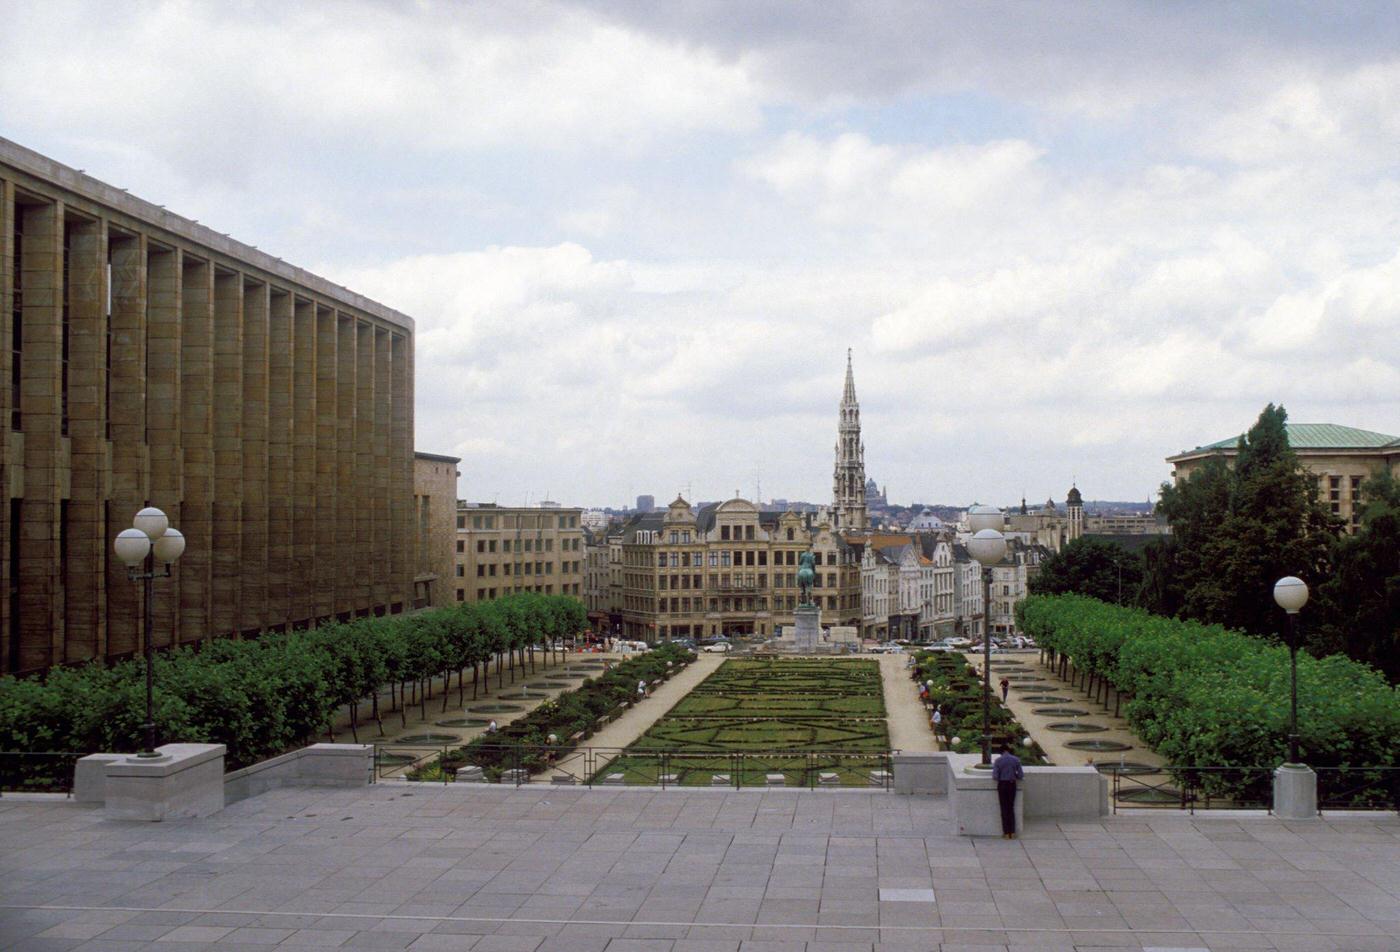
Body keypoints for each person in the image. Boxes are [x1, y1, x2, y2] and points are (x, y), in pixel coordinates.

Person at [992, 744, 1024, 839]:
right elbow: (1021, 775)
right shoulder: (1016, 759)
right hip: (1012, 784)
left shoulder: (998, 761)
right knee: (1011, 808)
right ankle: (1012, 832)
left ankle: (1006, 833)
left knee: (1004, 809)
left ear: (1001, 752)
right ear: (1009, 750)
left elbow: (995, 776)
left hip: (1002, 785)